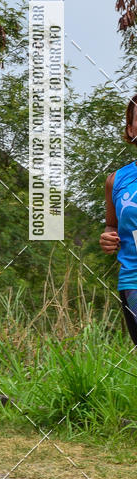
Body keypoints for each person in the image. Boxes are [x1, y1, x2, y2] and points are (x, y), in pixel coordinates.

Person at [100, 94, 137, 346]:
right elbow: (112, 225)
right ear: (131, 128)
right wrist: (107, 237)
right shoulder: (116, 180)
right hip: (133, 280)